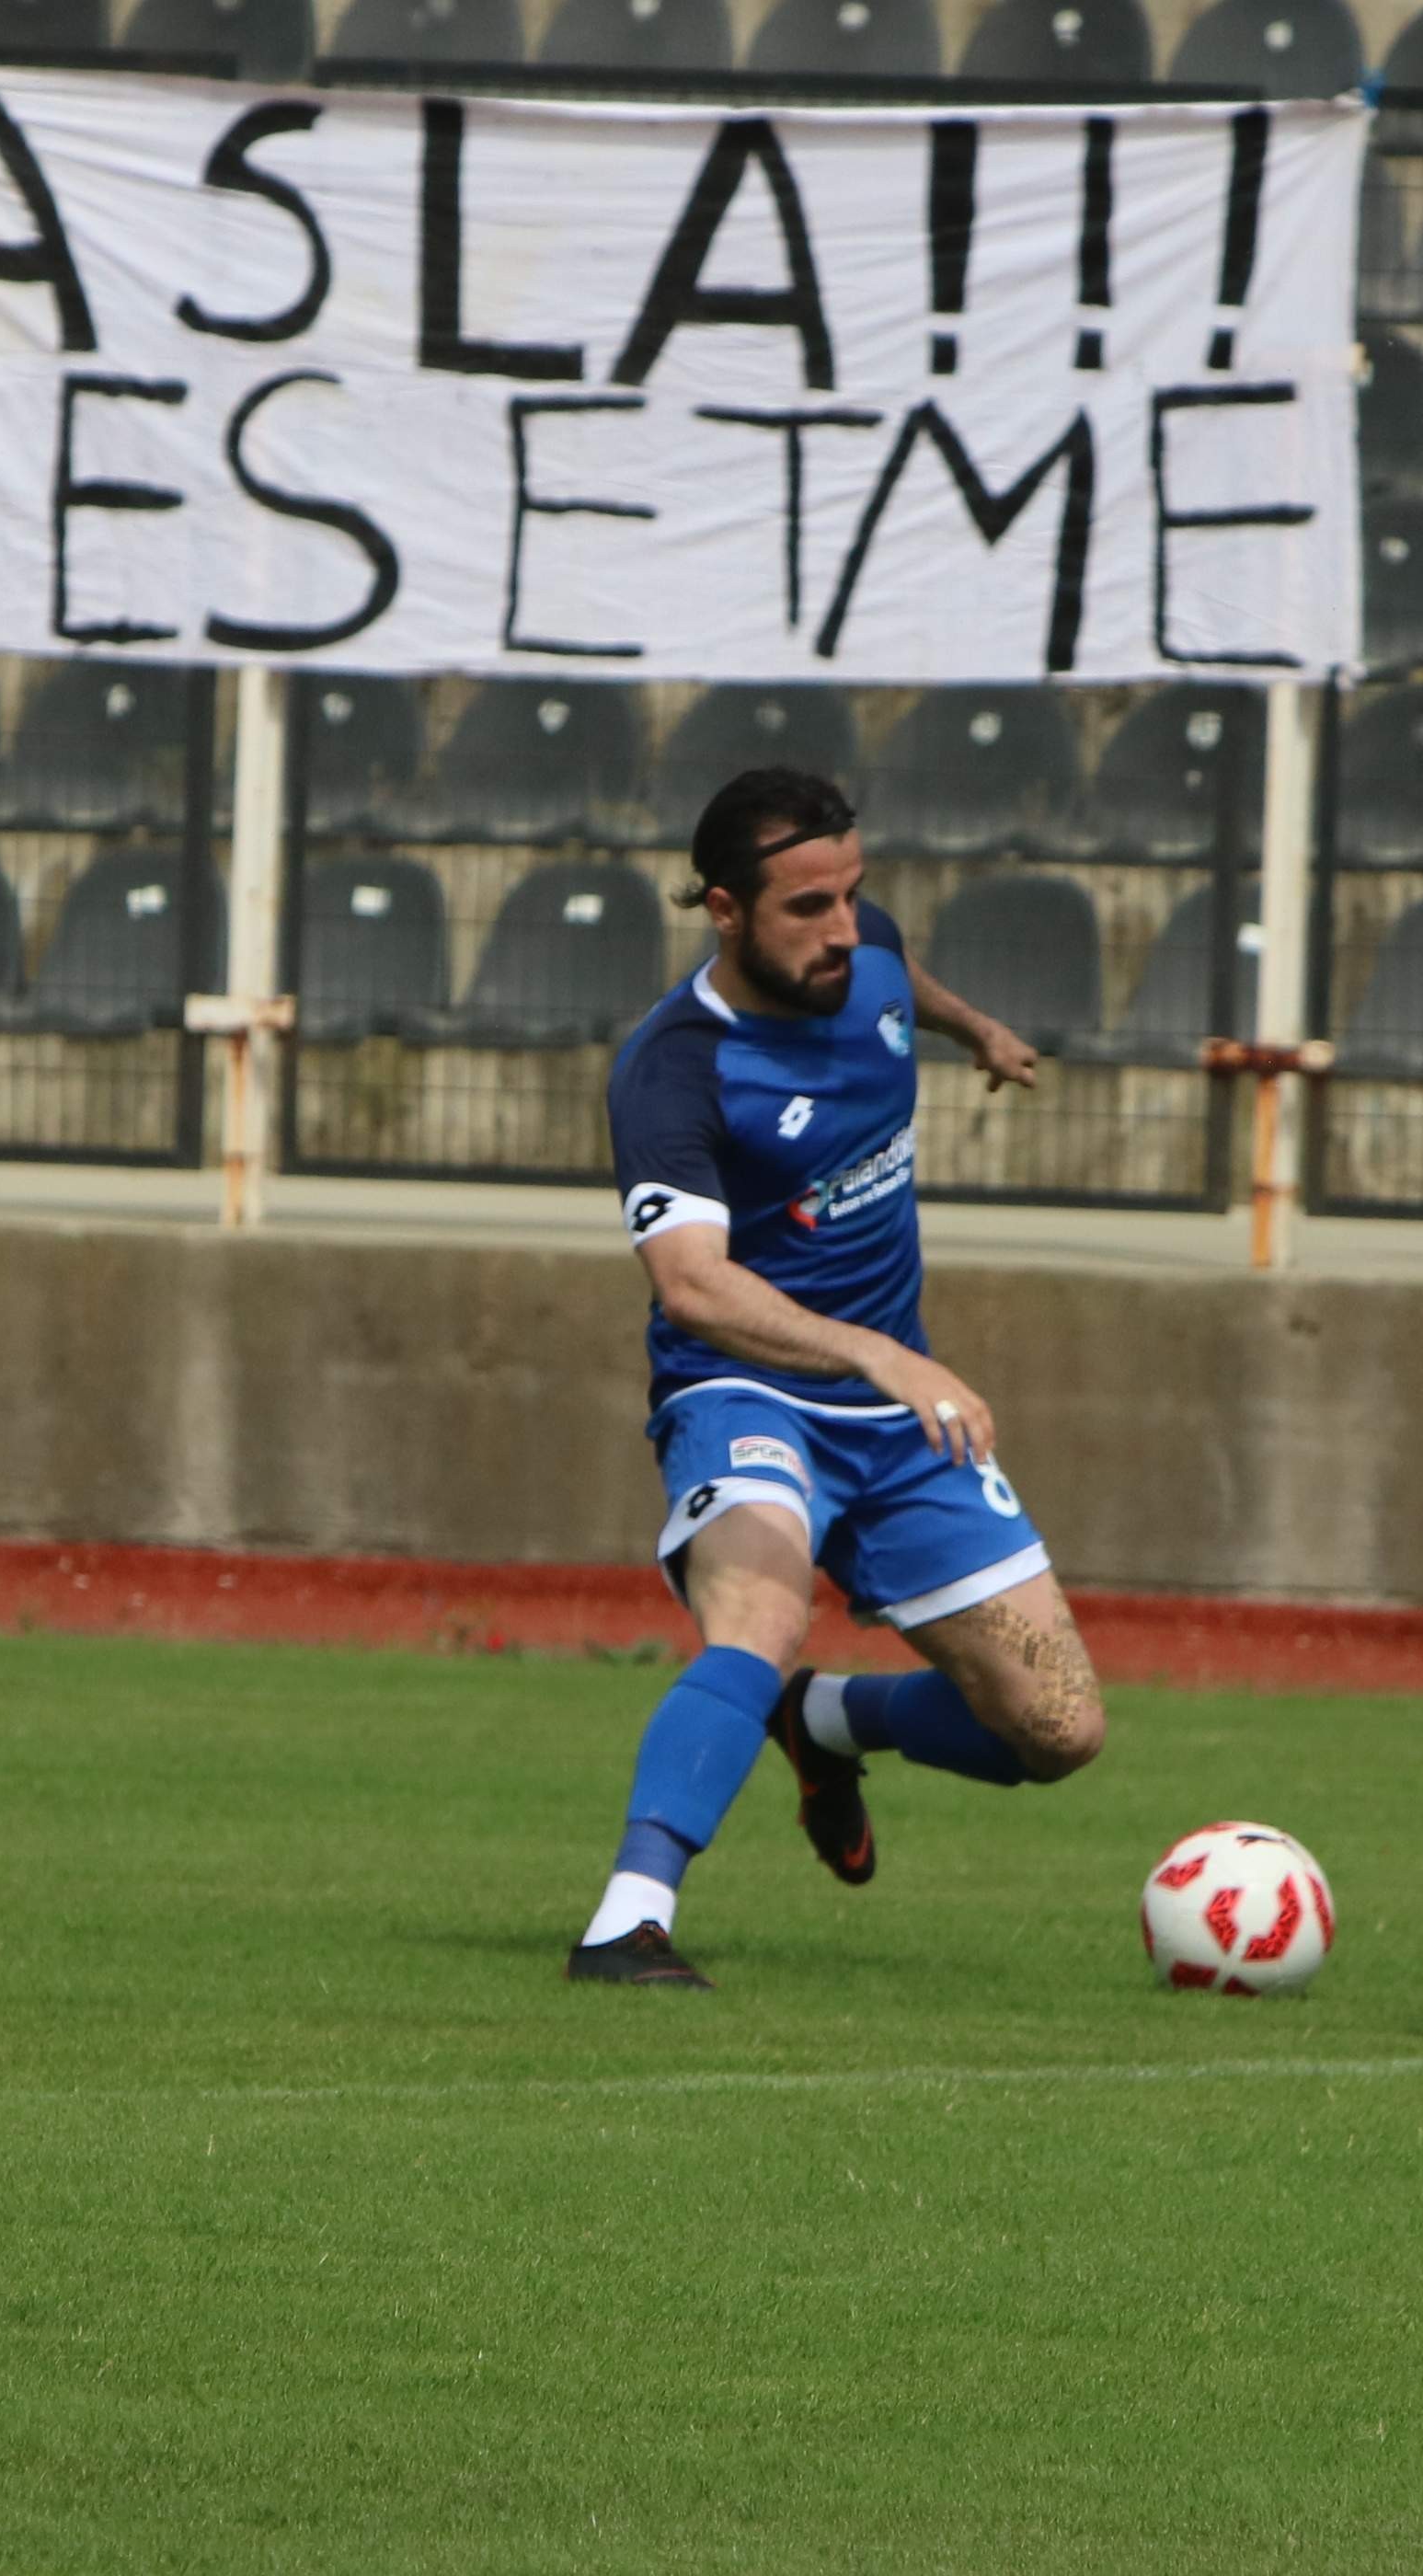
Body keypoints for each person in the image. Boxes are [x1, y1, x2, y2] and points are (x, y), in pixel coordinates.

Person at [567, 765, 1107, 1989]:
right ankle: (627, 1919)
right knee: (757, 1612)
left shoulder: (864, 954)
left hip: (897, 1414)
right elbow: (692, 1284)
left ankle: (818, 1723)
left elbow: (896, 978)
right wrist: (875, 1350)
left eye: (851, 896)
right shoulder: (672, 1069)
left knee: (1060, 1727)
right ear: (722, 909)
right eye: (805, 907)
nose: (841, 931)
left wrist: (976, 1030)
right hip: (744, 1389)